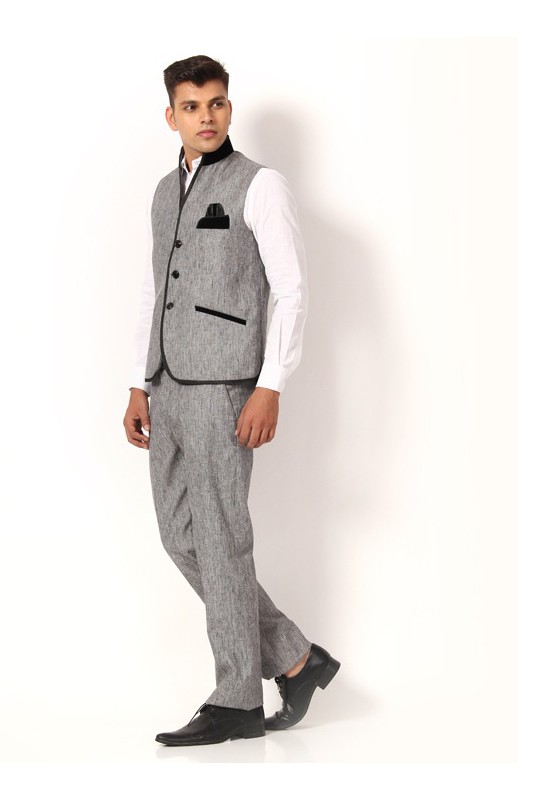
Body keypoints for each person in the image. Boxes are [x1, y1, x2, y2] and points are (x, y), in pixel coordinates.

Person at [122, 55, 340, 746]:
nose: (206, 116)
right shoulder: (164, 192)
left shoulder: (260, 184)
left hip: (224, 389)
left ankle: (237, 696)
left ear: (229, 108)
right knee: (181, 536)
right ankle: (296, 659)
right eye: (192, 106)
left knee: (223, 537)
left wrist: (271, 383)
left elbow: (292, 289)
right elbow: (154, 289)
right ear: (171, 116)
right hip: (166, 386)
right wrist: (137, 380)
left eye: (216, 102)